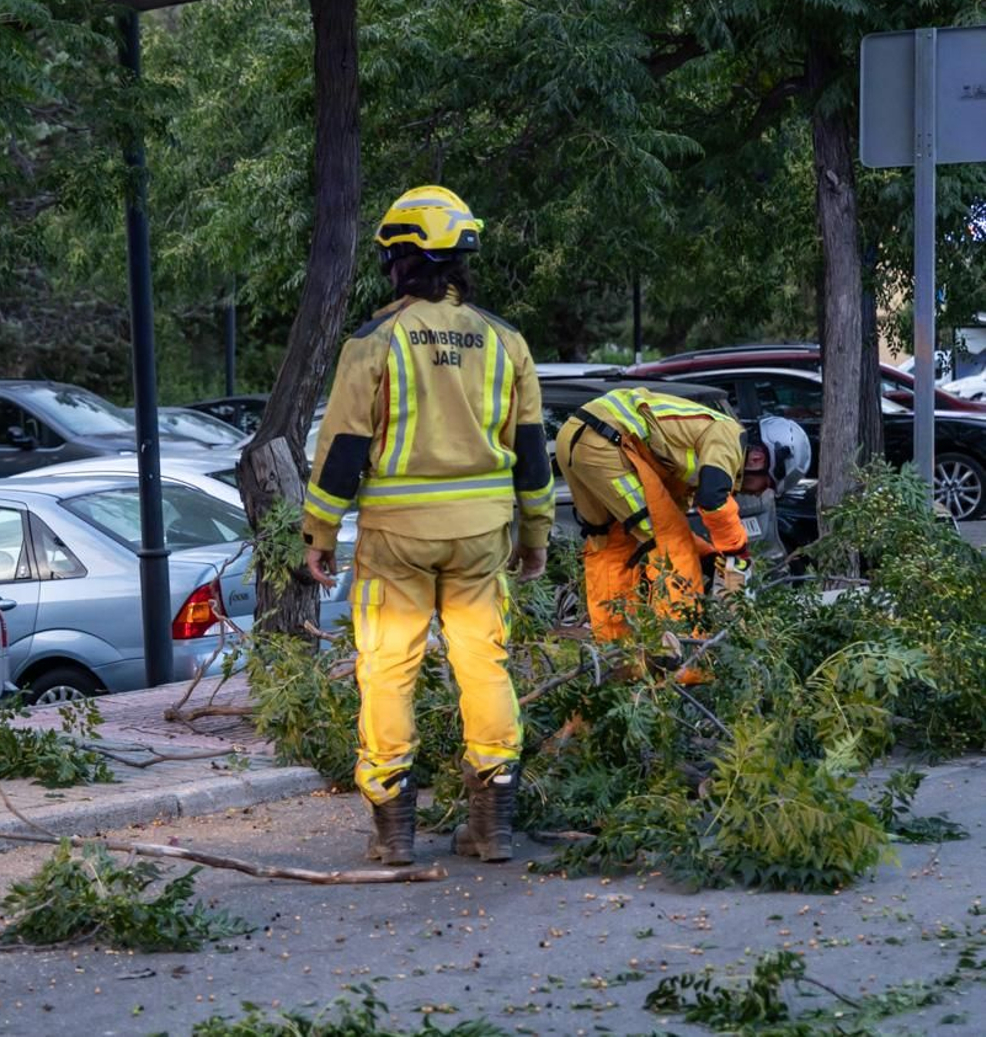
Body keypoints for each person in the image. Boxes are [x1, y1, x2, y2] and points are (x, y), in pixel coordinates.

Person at [302, 186, 555, 867]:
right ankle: (491, 826)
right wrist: (536, 534)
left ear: (400, 261)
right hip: (482, 537)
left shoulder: (374, 342)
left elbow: (343, 450)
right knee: (484, 664)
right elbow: (532, 450)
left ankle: (395, 835)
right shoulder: (507, 342)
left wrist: (318, 536)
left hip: (397, 539)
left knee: (388, 671)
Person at [554, 387, 748, 640]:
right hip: (608, 441)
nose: (755, 494)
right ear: (762, 461)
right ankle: (681, 654)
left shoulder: (683, 455)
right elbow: (712, 499)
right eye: (766, 485)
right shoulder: (730, 433)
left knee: (611, 543)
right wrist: (736, 549)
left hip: (573, 438)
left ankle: (618, 654)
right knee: (673, 548)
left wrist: (708, 555)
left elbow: (665, 520)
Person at [732, 415, 812, 573]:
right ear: (757, 460)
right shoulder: (720, 459)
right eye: (767, 485)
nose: (759, 494)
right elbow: (716, 509)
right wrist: (733, 555)